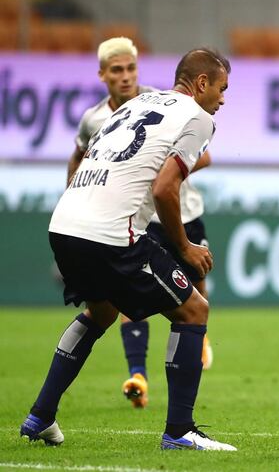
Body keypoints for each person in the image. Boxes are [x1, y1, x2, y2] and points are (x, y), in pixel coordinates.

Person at [20, 48, 236, 451]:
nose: (223, 100)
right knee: (194, 310)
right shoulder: (198, 118)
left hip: (64, 221)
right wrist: (185, 247)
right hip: (110, 232)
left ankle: (40, 416)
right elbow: (164, 188)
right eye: (222, 89)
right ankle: (179, 431)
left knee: (101, 311)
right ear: (202, 83)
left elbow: (84, 157)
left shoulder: (133, 105)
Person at [68, 37, 213, 410]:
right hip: (132, 216)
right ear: (102, 75)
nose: (126, 76)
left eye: (131, 68)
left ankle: (199, 341)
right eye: (117, 70)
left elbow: (204, 157)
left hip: (181, 210)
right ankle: (140, 376)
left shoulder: (157, 102)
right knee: (129, 296)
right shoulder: (97, 118)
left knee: (195, 287)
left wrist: (160, 172)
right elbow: (80, 156)